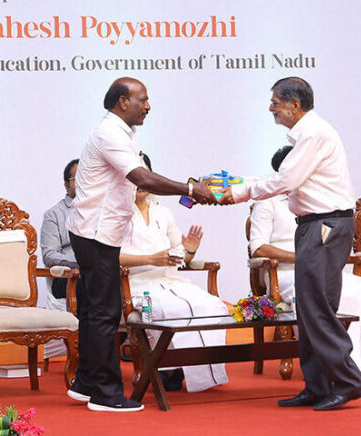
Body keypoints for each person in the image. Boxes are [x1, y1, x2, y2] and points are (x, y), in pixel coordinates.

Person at [65, 77, 216, 412]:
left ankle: (87, 383)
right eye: (142, 100)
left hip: (96, 231)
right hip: (95, 232)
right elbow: (141, 178)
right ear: (122, 102)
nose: (148, 106)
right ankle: (105, 394)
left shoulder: (123, 133)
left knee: (93, 310)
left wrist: (186, 189)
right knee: (104, 312)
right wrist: (190, 190)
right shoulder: (110, 133)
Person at [220, 77, 361, 411]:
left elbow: (285, 180)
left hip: (324, 226)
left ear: (294, 105)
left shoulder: (314, 134)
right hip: (314, 226)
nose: (271, 108)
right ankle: (317, 385)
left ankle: (347, 382)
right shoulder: (307, 135)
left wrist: (239, 191)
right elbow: (282, 179)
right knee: (309, 309)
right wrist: (238, 185)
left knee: (317, 308)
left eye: (275, 102)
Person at [250, 146, 361, 378]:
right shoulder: (267, 202)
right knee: (335, 292)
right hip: (286, 272)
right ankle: (340, 366)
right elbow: (258, 246)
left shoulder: (315, 199)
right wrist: (300, 257)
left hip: (319, 264)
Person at [120, 153, 229, 392]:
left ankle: (198, 371)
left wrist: (189, 250)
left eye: (145, 176)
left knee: (213, 306)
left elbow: (177, 256)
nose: (140, 184)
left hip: (169, 279)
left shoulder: (163, 213)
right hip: (134, 283)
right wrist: (150, 259)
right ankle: (166, 368)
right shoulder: (116, 213)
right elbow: (108, 256)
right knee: (165, 309)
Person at [40, 158, 86, 360]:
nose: (84, 182)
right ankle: (86, 357)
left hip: (93, 272)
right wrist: (78, 264)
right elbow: (49, 255)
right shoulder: (54, 214)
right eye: (78, 178)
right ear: (67, 184)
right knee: (89, 287)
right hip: (68, 278)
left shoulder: (100, 211)